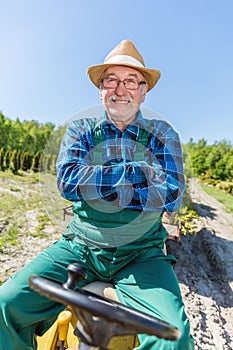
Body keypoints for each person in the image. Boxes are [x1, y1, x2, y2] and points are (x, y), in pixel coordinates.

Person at [0, 39, 194, 349]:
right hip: (80, 246)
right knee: (7, 304)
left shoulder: (163, 134)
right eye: (111, 80)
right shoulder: (81, 130)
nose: (121, 89)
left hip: (142, 254)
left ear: (144, 91)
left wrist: (98, 183)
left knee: (174, 338)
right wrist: (139, 172)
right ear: (100, 89)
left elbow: (170, 194)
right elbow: (69, 182)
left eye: (131, 81)